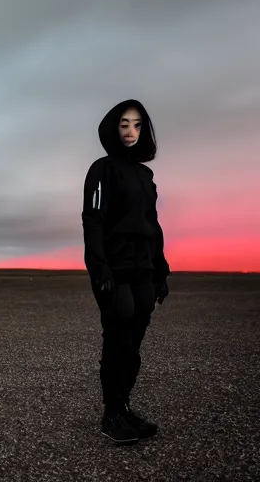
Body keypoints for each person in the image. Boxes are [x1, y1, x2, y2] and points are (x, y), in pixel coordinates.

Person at [82, 99, 170, 445]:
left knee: (133, 347)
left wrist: (161, 270)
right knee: (117, 341)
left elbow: (153, 225)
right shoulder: (102, 170)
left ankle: (124, 408)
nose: (130, 131)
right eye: (123, 124)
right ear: (112, 129)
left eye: (136, 124)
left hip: (144, 271)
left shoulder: (146, 176)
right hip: (115, 271)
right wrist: (100, 269)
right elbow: (93, 220)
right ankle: (111, 416)